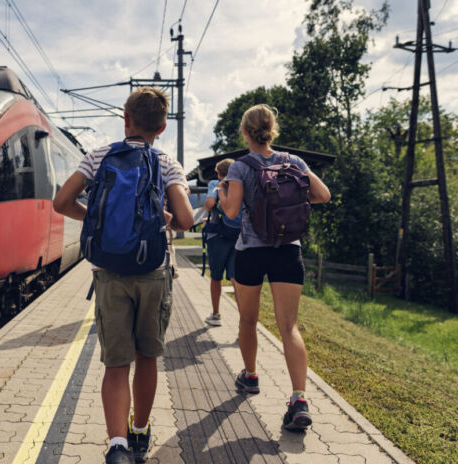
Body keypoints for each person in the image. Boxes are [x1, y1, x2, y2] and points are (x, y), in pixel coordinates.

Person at [53, 87, 193, 463]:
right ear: (162, 127)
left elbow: (61, 202)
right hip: (153, 272)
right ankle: (140, 432)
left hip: (109, 273)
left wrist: (93, 221)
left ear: (126, 120)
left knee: (116, 364)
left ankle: (116, 445)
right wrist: (162, 219)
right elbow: (185, 220)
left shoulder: (99, 156)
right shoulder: (166, 162)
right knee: (147, 357)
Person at [217, 104, 330, 430]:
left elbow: (233, 214)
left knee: (248, 320)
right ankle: (299, 399)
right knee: (289, 327)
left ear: (245, 132)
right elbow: (323, 194)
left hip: (252, 252)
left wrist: (225, 193)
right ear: (273, 129)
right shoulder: (294, 162)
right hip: (288, 251)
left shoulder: (239, 167)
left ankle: (251, 376)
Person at [203, 158, 242, 327]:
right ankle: (243, 321)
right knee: (236, 279)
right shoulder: (240, 185)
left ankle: (216, 314)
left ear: (219, 173)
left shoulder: (216, 183)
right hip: (238, 236)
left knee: (216, 277)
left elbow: (209, 204)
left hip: (218, 236)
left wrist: (217, 191)